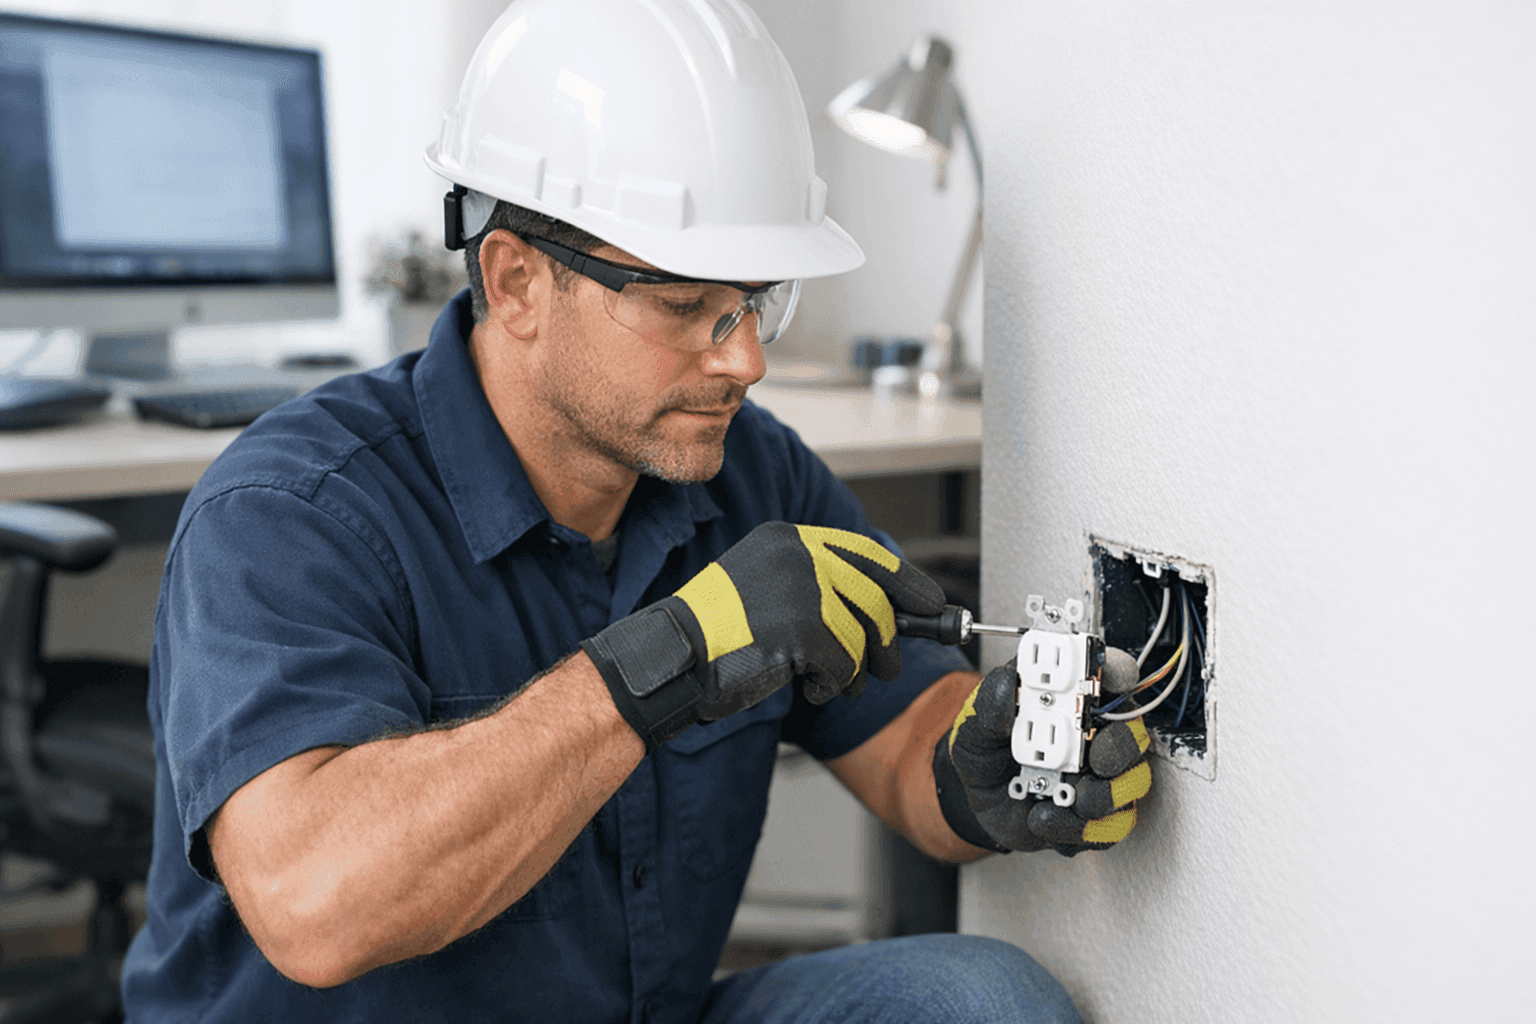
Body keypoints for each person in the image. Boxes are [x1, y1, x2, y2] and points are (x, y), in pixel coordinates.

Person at [120, 1, 1152, 1020]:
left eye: (758, 300)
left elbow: (905, 737)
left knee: (985, 1002)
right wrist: (663, 664)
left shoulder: (750, 477)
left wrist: (981, 771)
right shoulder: (292, 513)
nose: (745, 357)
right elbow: (315, 906)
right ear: (516, 281)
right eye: (682, 307)